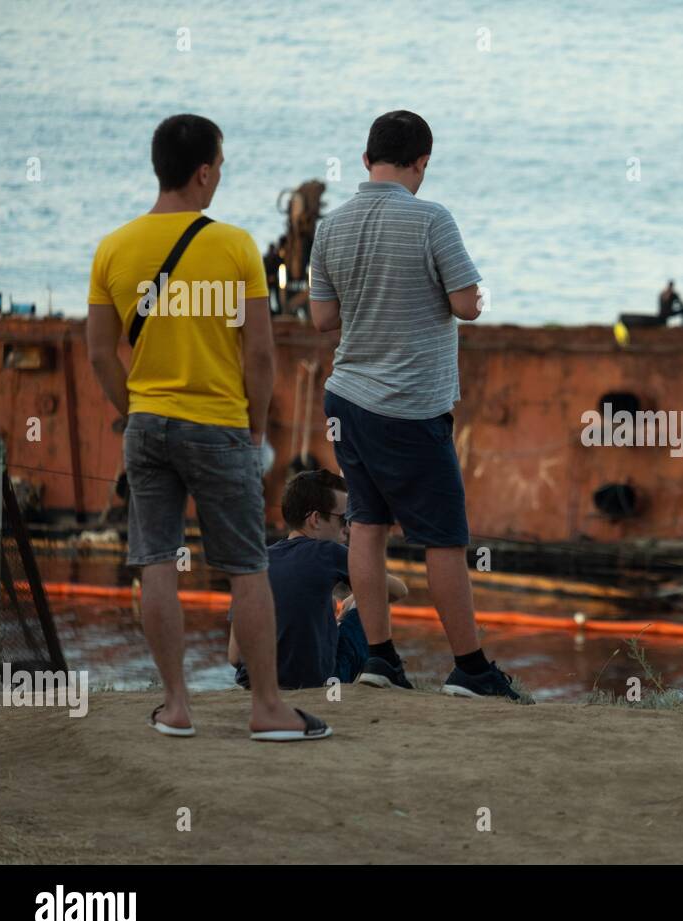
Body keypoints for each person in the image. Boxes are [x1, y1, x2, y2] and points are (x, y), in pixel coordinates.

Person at [86, 113, 330, 741]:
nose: (220, 176)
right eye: (219, 166)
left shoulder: (113, 248)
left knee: (157, 561)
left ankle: (176, 707)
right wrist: (252, 430)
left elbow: (96, 352)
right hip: (218, 426)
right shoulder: (235, 246)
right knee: (247, 567)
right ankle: (267, 708)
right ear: (202, 172)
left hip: (148, 426)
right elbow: (260, 354)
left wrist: (134, 405)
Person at [309, 109, 521, 700]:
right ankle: (472, 669)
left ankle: (379, 659)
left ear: (365, 159)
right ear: (423, 161)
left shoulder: (330, 227)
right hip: (408, 408)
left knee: (367, 528)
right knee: (445, 540)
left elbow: (324, 318)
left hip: (345, 399)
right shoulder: (432, 219)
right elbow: (467, 304)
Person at [228, 469, 408, 690]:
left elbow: (235, 656)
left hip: (254, 681)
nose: (348, 528)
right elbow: (399, 590)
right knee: (369, 600)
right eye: (343, 518)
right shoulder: (328, 551)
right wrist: (359, 595)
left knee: (329, 604)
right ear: (315, 519)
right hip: (320, 682)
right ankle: (384, 671)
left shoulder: (256, 561)